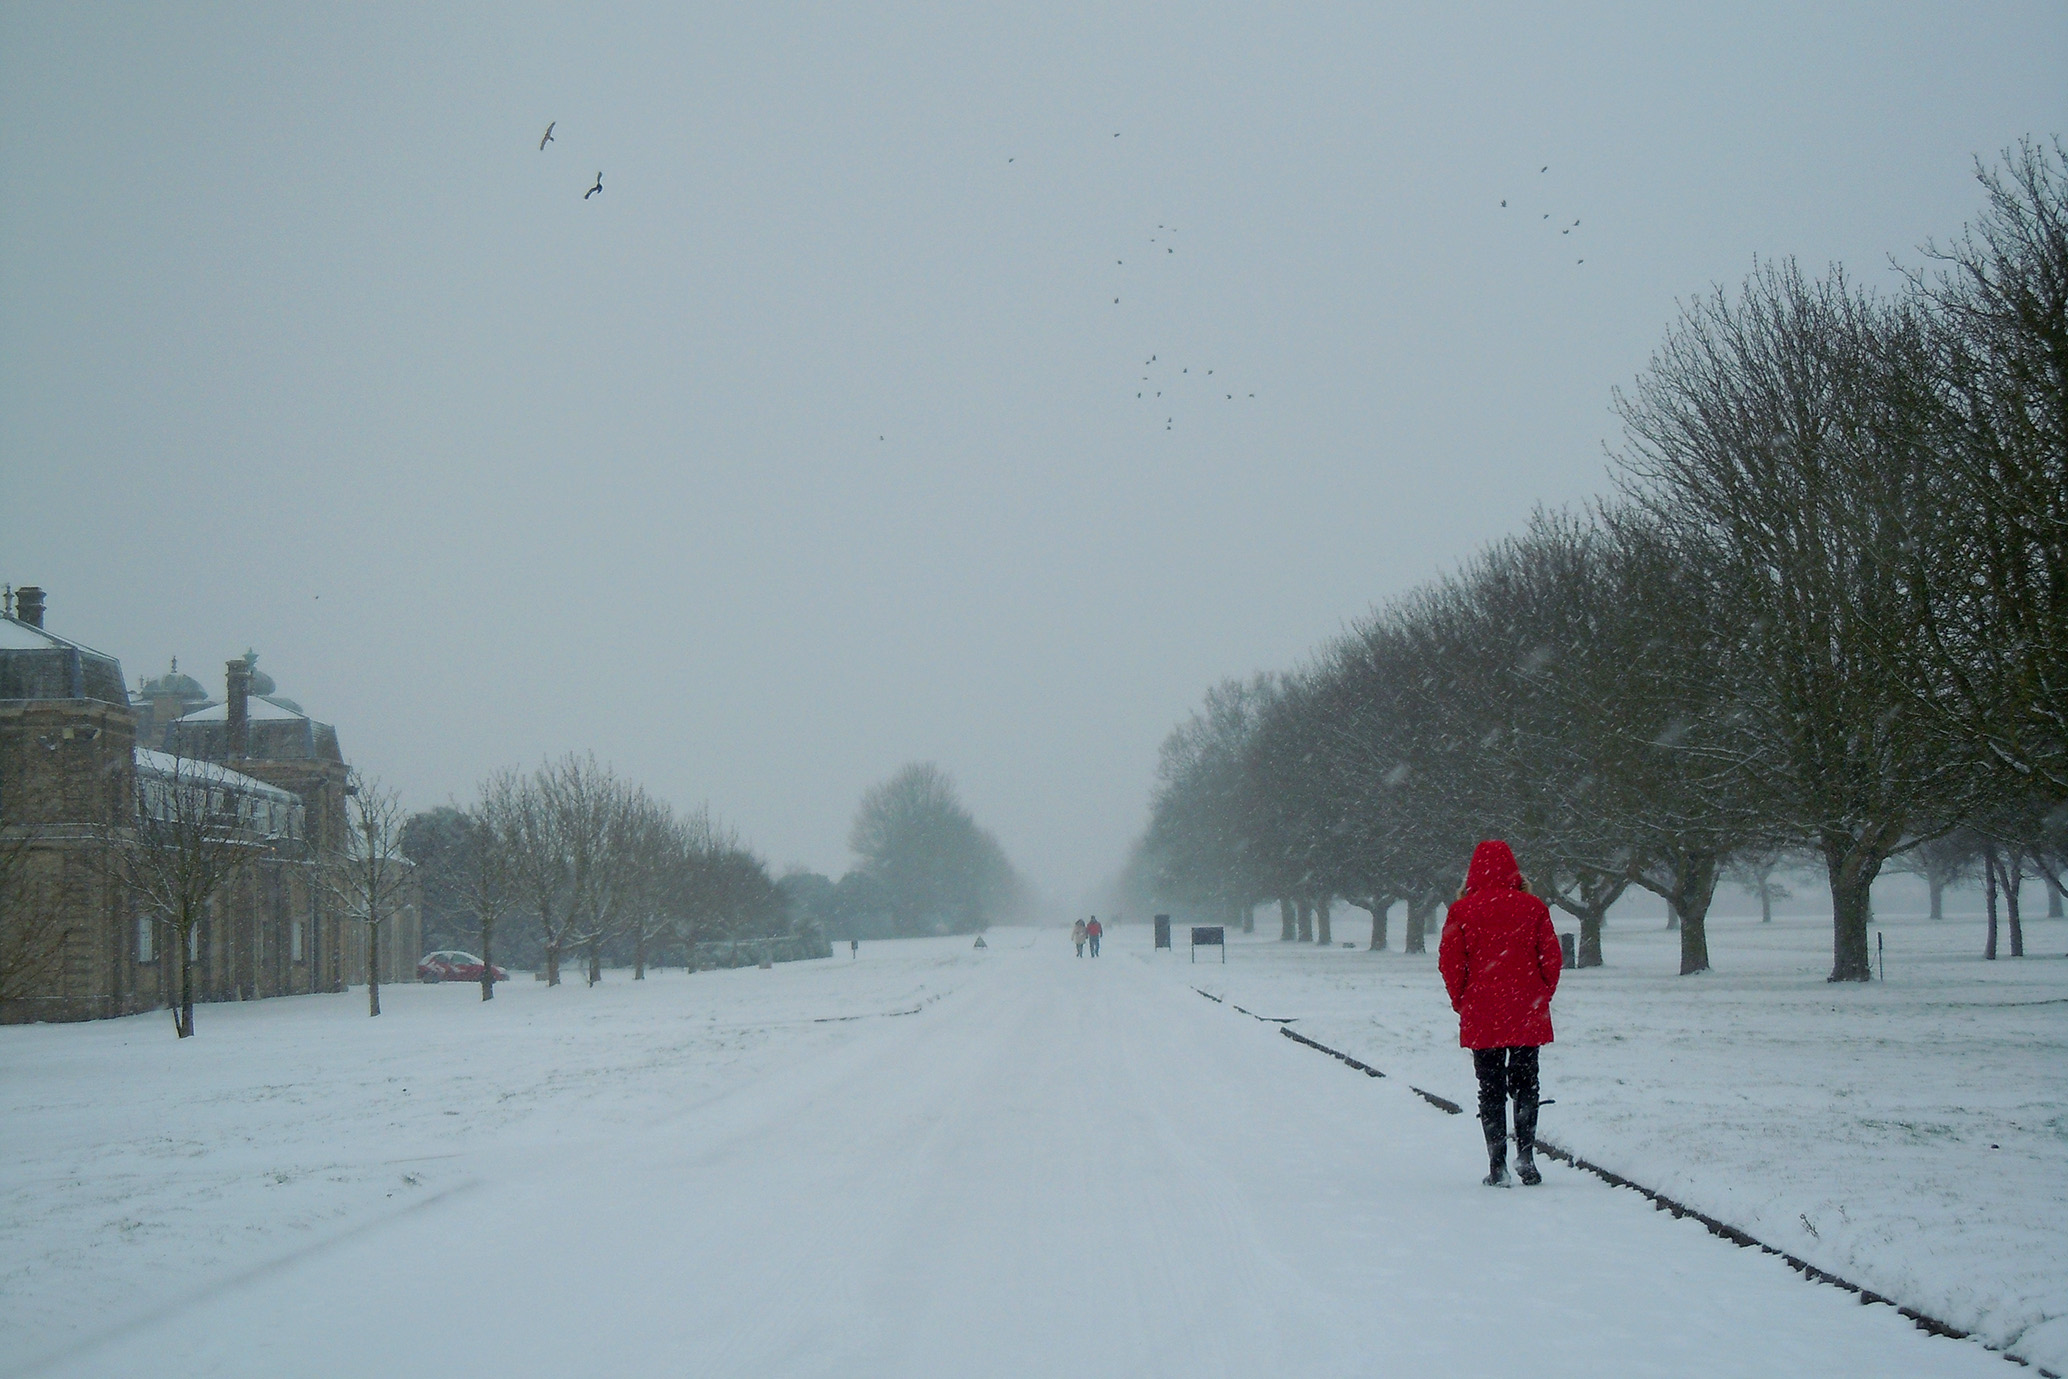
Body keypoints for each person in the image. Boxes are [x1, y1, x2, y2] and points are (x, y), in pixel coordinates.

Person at [1438, 839, 1562, 1187]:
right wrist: (1540, 993)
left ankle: (1497, 1166)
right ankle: (1527, 1155)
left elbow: (1451, 963)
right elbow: (1551, 958)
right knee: (1527, 1084)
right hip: (1526, 1008)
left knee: (1489, 1088)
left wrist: (1461, 999)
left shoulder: (1461, 912)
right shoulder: (1534, 908)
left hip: (1483, 1010)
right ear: (1514, 871)